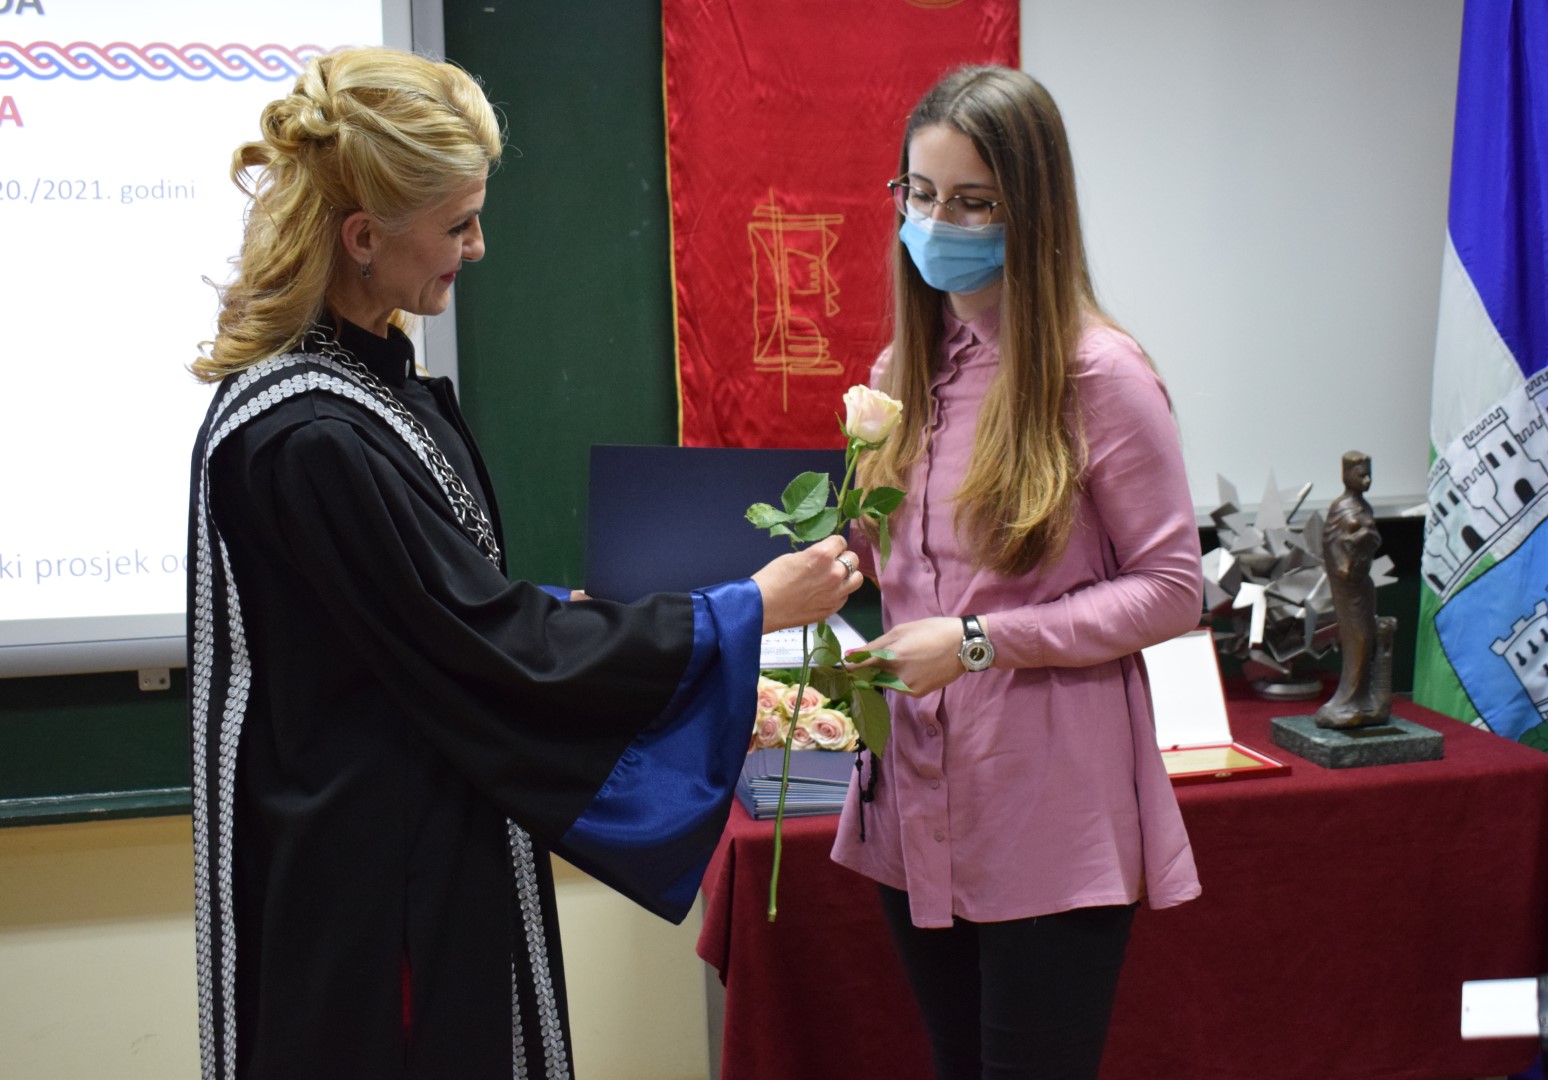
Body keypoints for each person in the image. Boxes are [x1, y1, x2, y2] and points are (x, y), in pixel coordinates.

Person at [186, 47, 860, 1080]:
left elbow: (418, 606)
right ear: (363, 238)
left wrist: (550, 607)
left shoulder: (361, 385)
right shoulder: (312, 435)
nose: (478, 246)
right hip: (376, 885)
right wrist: (743, 610)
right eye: (458, 223)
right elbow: (485, 642)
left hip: (408, 834)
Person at [831, 66, 1204, 1080]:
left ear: (1029, 212)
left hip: (1047, 808)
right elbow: (891, 564)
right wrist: (826, 559)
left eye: (971, 202)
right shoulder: (900, 374)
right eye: (919, 193)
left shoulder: (1101, 376)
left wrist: (979, 642)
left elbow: (1174, 586)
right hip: (915, 793)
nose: (934, 223)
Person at [1315, 451, 1388, 728]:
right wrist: (1354, 546)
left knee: (1367, 637)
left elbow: (1375, 538)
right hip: (1347, 584)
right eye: (1361, 475)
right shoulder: (1340, 507)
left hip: (1363, 581)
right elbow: (1331, 543)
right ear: (1346, 475)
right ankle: (1346, 700)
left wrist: (1367, 537)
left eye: (1369, 475)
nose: (1367, 480)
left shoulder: (1365, 507)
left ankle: (1362, 698)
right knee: (1356, 637)